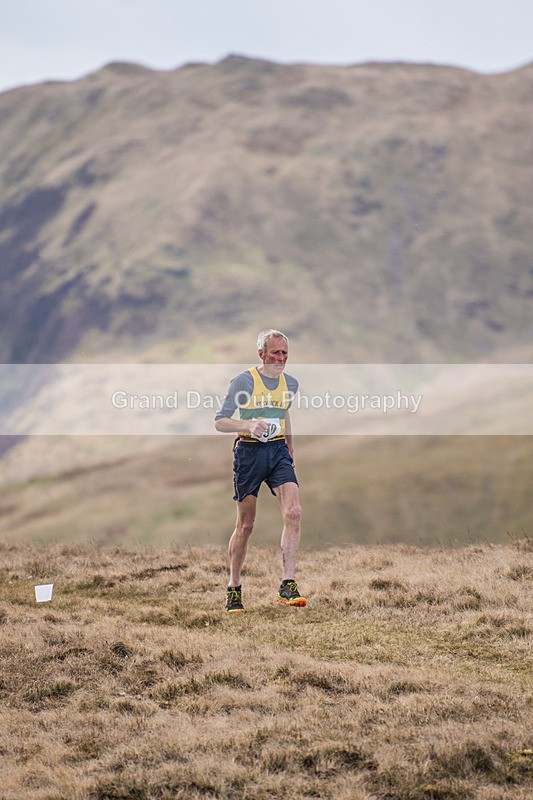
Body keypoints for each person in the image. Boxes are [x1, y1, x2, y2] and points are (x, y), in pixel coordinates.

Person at [215, 329, 306, 613]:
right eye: (275, 352)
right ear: (261, 354)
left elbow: (284, 412)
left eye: (284, 354)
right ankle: (233, 588)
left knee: (294, 512)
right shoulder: (244, 381)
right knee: (246, 526)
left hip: (278, 452)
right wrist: (248, 425)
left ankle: (287, 584)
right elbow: (220, 421)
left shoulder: (290, 383)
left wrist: (290, 447)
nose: (280, 358)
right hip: (249, 453)